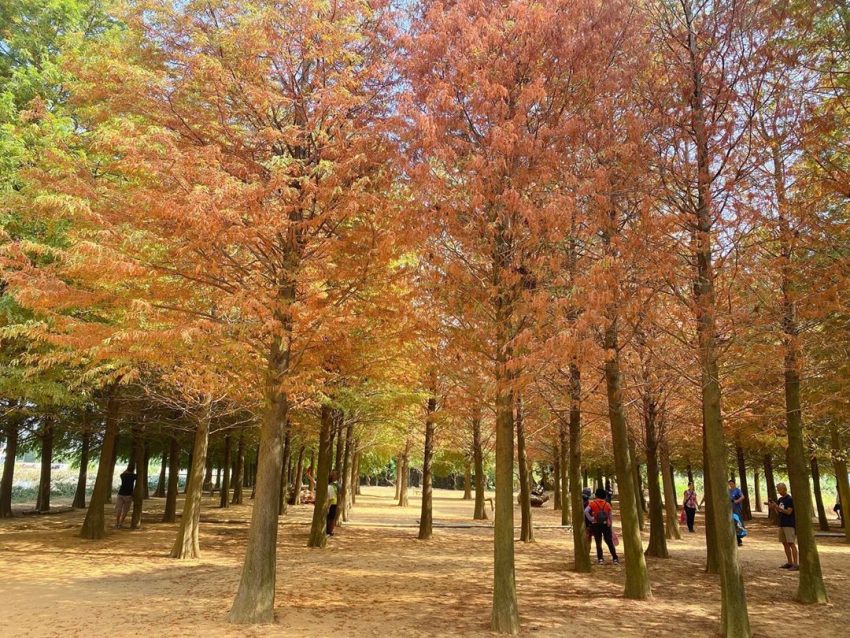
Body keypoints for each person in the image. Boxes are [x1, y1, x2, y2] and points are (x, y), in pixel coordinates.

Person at [767, 483, 798, 570]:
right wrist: (774, 507)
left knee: (791, 543)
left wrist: (777, 507)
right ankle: (789, 562)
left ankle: (795, 564)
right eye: (778, 490)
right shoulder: (780, 499)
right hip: (781, 524)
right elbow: (779, 512)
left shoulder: (789, 499)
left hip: (789, 524)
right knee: (784, 543)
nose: (779, 491)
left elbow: (789, 512)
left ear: (785, 489)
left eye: (780, 489)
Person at [585, 487, 619, 565]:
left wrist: (591, 519)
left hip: (596, 524)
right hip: (605, 525)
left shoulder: (592, 503)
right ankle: (615, 558)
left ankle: (600, 559)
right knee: (609, 542)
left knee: (598, 542)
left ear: (596, 495)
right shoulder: (607, 504)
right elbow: (610, 516)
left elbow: (586, 511)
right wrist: (610, 525)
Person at [326, 470, 339, 536]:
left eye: (334, 474)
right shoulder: (330, 485)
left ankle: (330, 531)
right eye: (332, 474)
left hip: (333, 503)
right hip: (330, 503)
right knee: (329, 518)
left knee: (331, 518)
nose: (333, 476)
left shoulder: (336, 485)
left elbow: (338, 495)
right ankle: (328, 531)